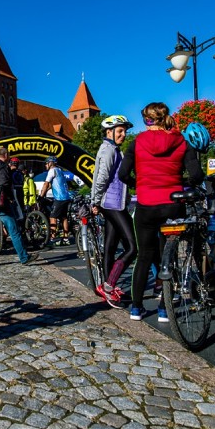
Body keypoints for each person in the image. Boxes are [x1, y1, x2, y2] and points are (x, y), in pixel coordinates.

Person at [119, 103, 204, 322]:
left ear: (147, 120)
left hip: (146, 205)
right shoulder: (182, 141)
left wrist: (138, 183)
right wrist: (179, 182)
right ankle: (165, 308)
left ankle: (136, 308)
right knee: (171, 256)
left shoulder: (137, 143)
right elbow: (196, 175)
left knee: (144, 257)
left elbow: (122, 174)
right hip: (173, 204)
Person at [90, 115, 137, 304]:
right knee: (133, 247)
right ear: (109, 131)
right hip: (112, 203)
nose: (123, 134)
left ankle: (107, 286)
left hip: (114, 203)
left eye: (125, 131)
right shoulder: (109, 150)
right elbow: (101, 177)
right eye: (120, 131)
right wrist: (95, 201)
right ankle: (108, 285)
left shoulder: (113, 149)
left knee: (109, 247)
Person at [39, 156, 80, 245]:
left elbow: (46, 184)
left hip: (59, 198)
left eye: (46, 163)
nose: (45, 165)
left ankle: (52, 239)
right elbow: (52, 185)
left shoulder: (52, 170)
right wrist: (46, 190)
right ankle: (66, 238)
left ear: (50, 163)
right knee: (63, 218)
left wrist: (41, 196)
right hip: (66, 197)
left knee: (52, 217)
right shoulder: (59, 170)